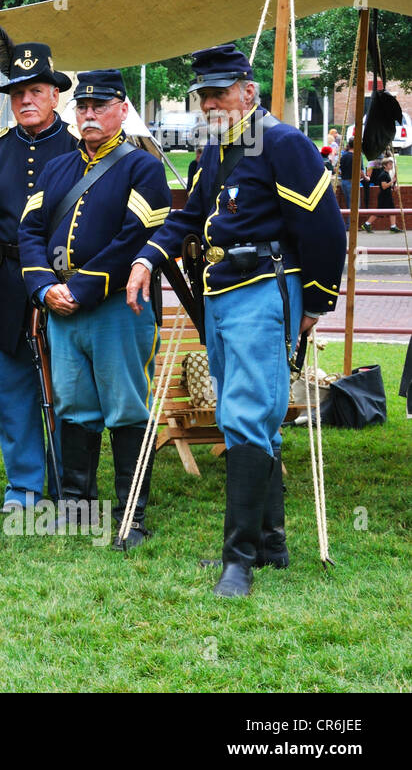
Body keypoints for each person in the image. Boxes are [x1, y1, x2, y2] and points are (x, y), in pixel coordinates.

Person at [125, 45, 346, 597]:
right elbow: (192, 216)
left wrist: (314, 304)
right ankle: (272, 546)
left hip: (265, 292)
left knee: (246, 417)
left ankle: (238, 561)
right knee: (241, 415)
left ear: (249, 89)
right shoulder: (217, 148)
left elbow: (324, 230)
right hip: (221, 294)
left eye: (219, 92)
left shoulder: (284, 143)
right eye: (202, 94)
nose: (209, 103)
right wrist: (148, 256)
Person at [17, 70, 171, 549]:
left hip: (116, 307)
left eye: (99, 106)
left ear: (122, 110)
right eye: (82, 107)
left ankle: (131, 519)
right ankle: (78, 509)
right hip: (62, 309)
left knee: (126, 407)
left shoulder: (142, 167)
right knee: (75, 406)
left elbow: (137, 237)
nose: (88, 114)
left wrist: (80, 289)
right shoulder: (57, 169)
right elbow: (29, 231)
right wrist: (44, 287)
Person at [0, 42, 79, 513]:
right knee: (12, 392)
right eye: (17, 93)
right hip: (5, 283)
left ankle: (69, 481)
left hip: (64, 284)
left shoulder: (78, 149)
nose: (25, 100)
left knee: (66, 389)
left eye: (36, 90)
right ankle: (25, 486)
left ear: (55, 95)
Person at [363, 156, 401, 232]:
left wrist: (394, 188)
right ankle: (367, 224)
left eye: (391, 164)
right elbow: (384, 186)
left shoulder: (386, 174)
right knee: (380, 211)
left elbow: (387, 186)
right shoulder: (383, 175)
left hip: (387, 195)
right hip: (384, 196)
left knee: (390, 210)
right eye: (390, 164)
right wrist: (392, 181)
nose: (391, 166)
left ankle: (393, 226)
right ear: (384, 166)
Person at [338, 138, 355, 214]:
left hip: (344, 181)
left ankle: (349, 224)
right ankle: (351, 225)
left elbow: (337, 168)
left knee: (349, 205)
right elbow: (361, 172)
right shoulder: (357, 156)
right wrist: (365, 177)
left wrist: (342, 173)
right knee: (355, 206)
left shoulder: (344, 155)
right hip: (352, 182)